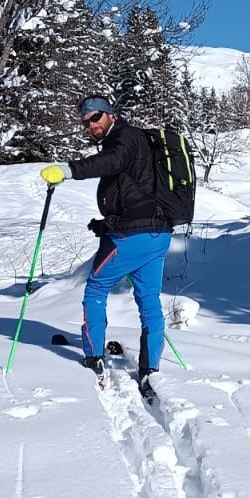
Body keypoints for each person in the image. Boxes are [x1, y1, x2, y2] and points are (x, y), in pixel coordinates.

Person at [40, 96, 170, 396]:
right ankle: (150, 368)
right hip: (156, 235)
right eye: (85, 122)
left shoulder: (124, 139)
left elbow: (111, 162)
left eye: (95, 118)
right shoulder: (135, 141)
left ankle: (93, 355)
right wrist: (106, 223)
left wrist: (67, 170)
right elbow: (132, 192)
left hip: (130, 238)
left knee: (96, 289)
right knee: (149, 301)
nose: (91, 125)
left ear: (110, 114)